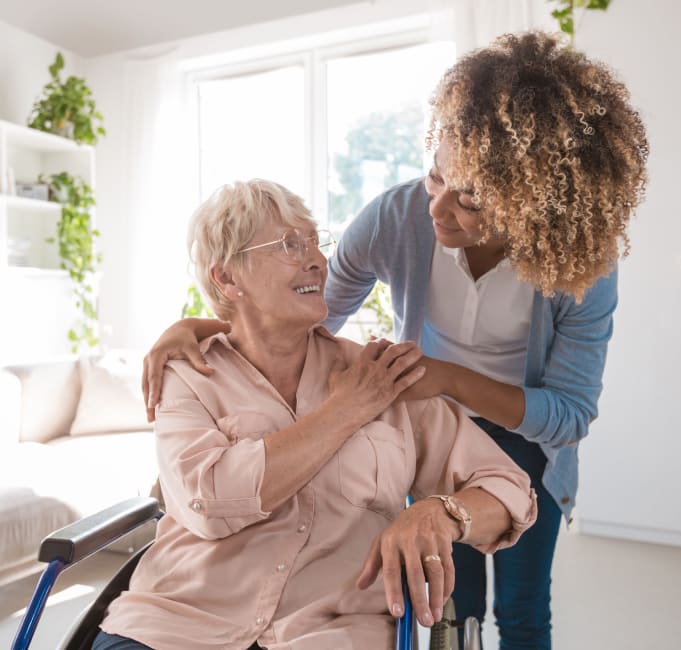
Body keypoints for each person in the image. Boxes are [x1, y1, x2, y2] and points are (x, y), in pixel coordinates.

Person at [142, 31, 648, 650]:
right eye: (435, 176)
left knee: (521, 609)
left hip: (523, 438)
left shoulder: (579, 267)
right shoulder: (397, 216)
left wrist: (446, 378)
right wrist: (213, 324)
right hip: (420, 422)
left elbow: (569, 414)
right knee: (447, 605)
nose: (437, 210)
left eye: (470, 203)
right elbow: (307, 318)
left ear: (533, 211)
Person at [95, 179, 536, 650]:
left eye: (315, 241)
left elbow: (511, 492)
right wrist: (346, 410)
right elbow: (212, 502)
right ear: (227, 278)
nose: (317, 260)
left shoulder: (383, 375)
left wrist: (442, 513)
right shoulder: (187, 374)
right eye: (289, 244)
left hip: (329, 634)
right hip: (176, 625)